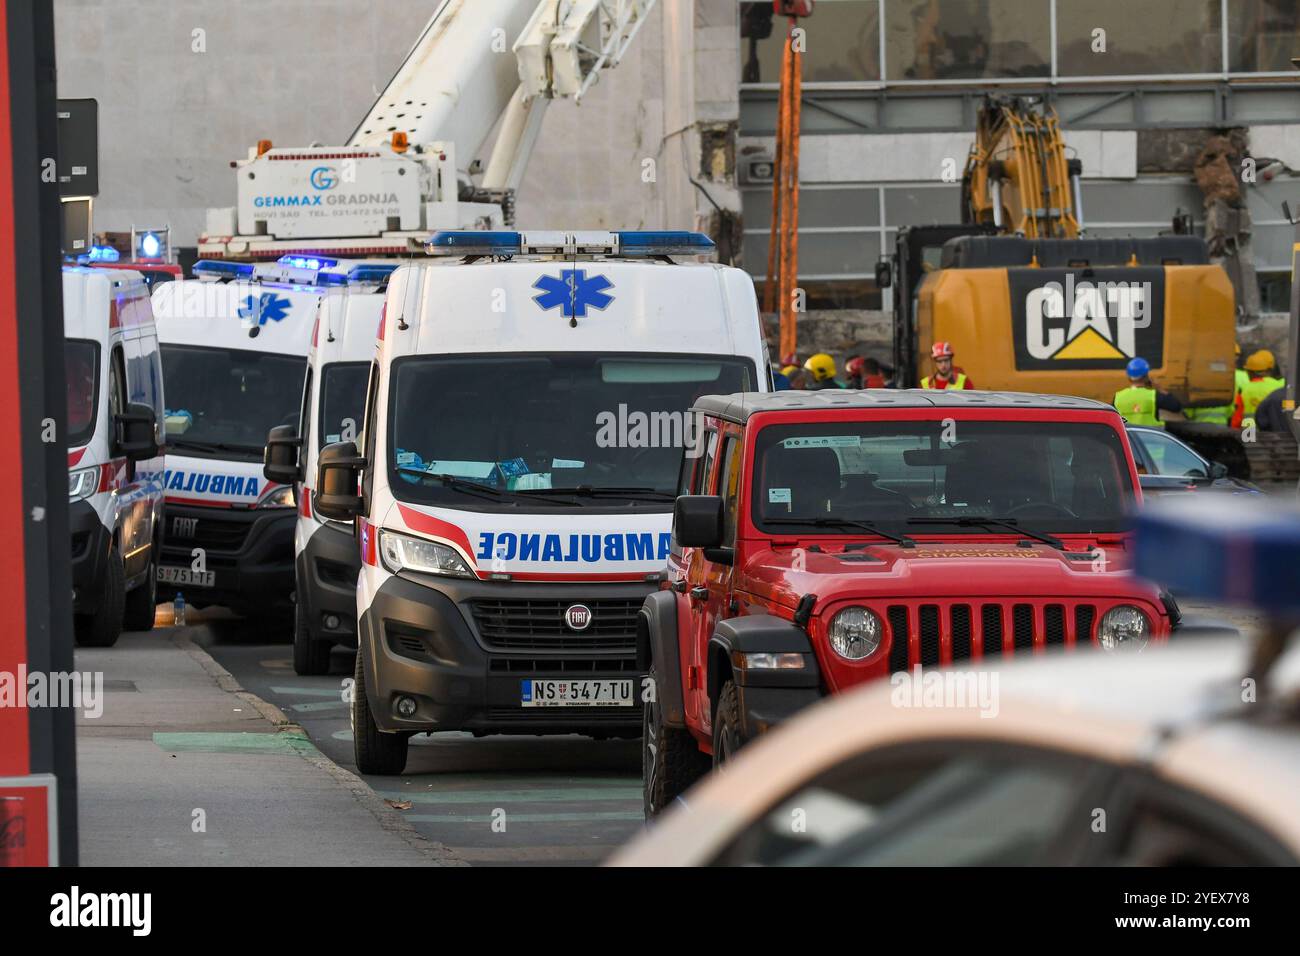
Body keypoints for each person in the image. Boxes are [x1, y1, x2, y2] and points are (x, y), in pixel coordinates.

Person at [1113, 356, 1182, 428]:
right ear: (1146, 377)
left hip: (1127, 437)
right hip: (1149, 437)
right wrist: (1160, 389)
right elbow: (1176, 407)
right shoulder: (1153, 396)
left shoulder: (1118, 397)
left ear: (1129, 377)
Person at [1231, 349, 1286, 428]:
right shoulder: (1280, 386)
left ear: (1250, 372)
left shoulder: (1244, 389)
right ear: (1270, 369)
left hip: (1249, 434)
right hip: (1273, 432)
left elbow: (1237, 418)